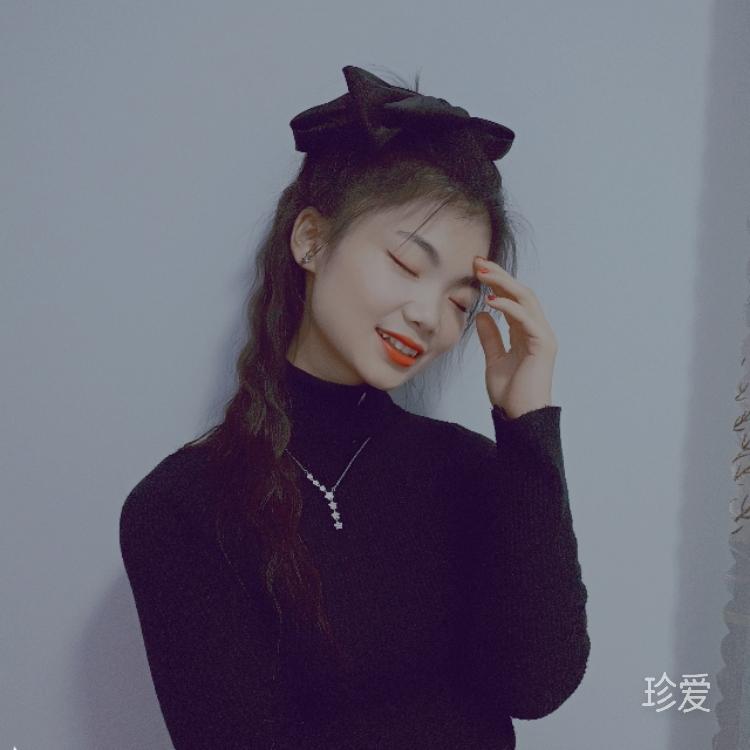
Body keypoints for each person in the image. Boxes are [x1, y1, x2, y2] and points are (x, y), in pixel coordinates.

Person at [119, 64, 590, 749]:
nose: (428, 315)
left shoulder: (472, 468)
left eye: (460, 301)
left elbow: (539, 684)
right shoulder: (181, 508)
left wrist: (528, 426)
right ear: (311, 240)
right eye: (406, 265)